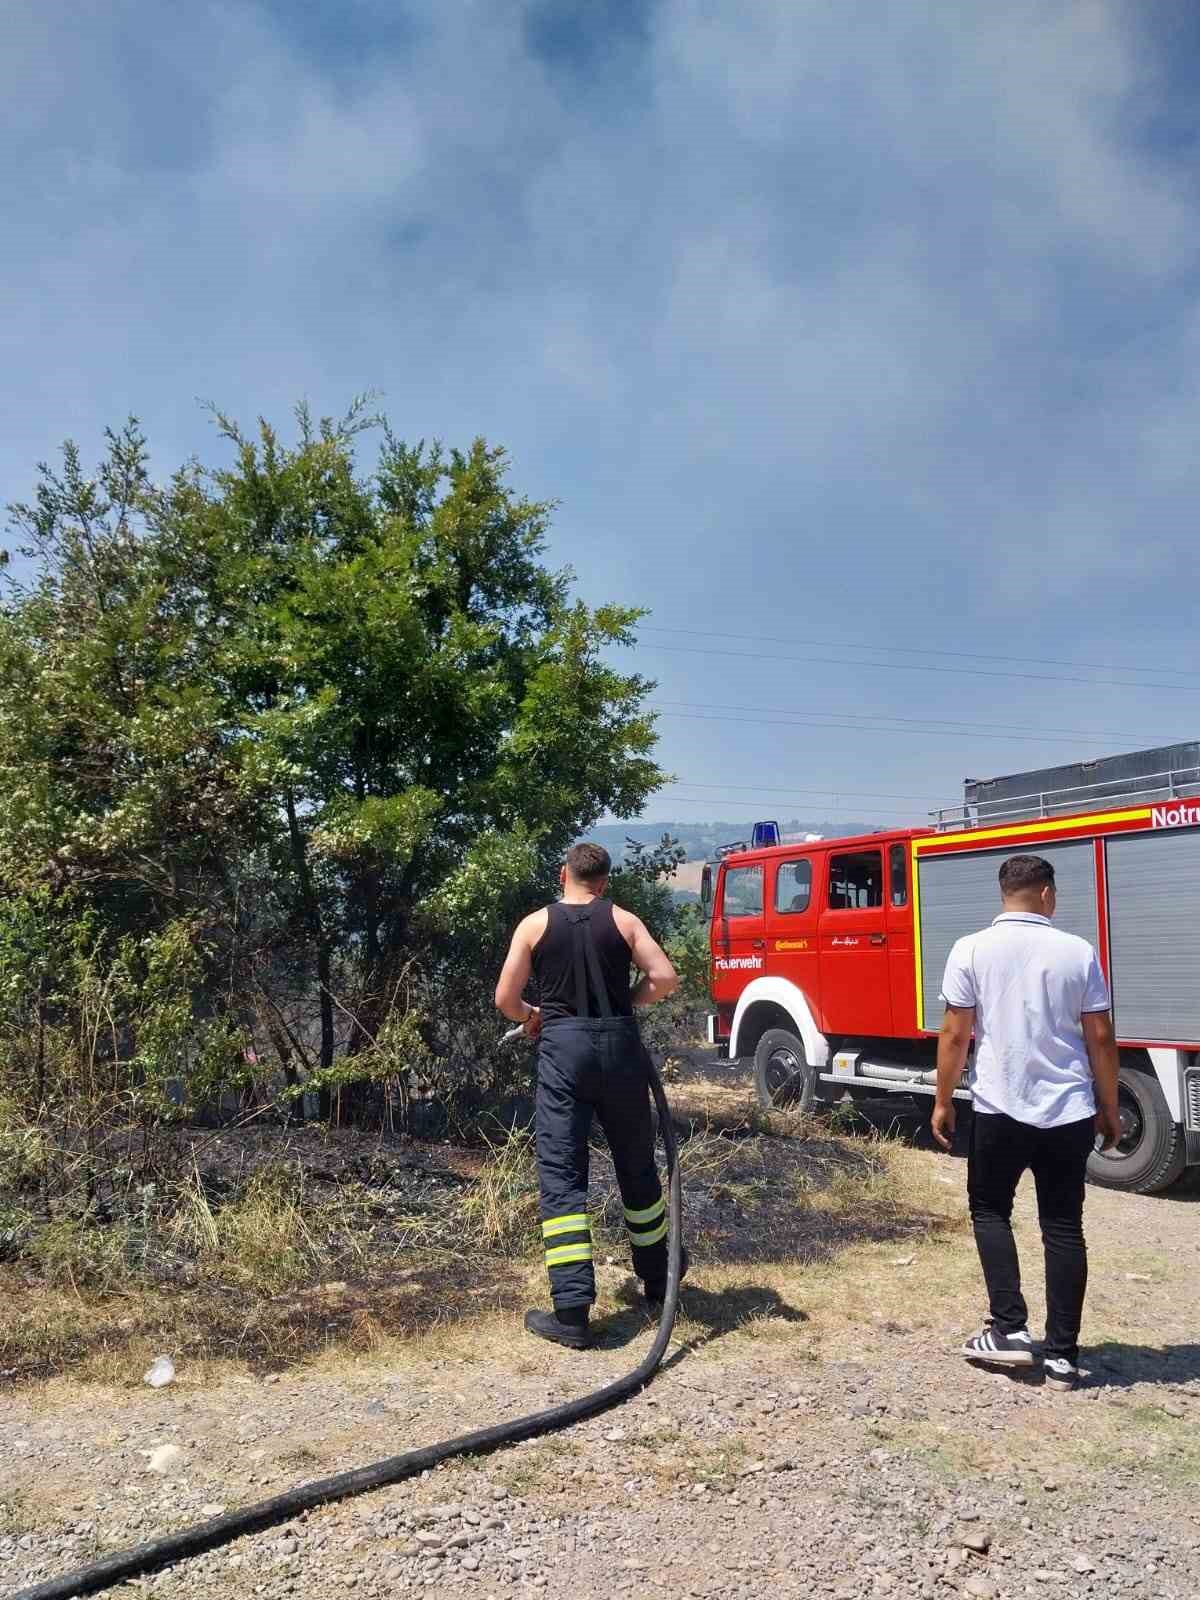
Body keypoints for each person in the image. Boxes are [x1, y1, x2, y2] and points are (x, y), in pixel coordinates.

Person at [932, 853, 1121, 1391]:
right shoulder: (1078, 951)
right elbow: (1101, 1036)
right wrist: (1108, 1106)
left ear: (1004, 893)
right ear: (1046, 894)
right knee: (1063, 1226)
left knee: (991, 1210)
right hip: (1068, 1111)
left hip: (1000, 1107)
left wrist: (943, 1099)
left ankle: (1009, 1329)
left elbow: (955, 1034)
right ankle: (1062, 1357)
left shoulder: (970, 948)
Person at [494, 842, 683, 1349]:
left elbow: (505, 999)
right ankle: (659, 1282)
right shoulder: (624, 920)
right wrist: (629, 1001)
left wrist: (532, 1016)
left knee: (562, 1175)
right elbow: (664, 978)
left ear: (564, 875)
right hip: (621, 1050)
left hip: (564, 1051)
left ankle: (573, 1313)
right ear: (604, 881)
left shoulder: (535, 925)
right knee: (637, 1166)